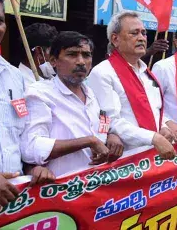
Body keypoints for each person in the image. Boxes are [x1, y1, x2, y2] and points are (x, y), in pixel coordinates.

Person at [20, 32, 124, 176]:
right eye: (72, 54)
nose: (81, 61)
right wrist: (88, 141)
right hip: (61, 192)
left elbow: (103, 124)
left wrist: (112, 135)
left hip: (97, 187)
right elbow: (31, 148)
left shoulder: (92, 94)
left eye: (86, 55)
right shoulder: (40, 94)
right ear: (53, 61)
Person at [88, 11, 177, 160]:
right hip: (126, 160)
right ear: (115, 39)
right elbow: (109, 121)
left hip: (154, 156)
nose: (141, 38)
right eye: (134, 33)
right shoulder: (103, 73)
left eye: (143, 33)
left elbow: (154, 110)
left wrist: (163, 127)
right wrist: (153, 138)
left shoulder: (146, 72)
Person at [0, 0, 54, 207]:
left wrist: (32, 168)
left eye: (0, 21)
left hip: (14, 200)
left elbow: (18, 137)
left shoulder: (14, 78)